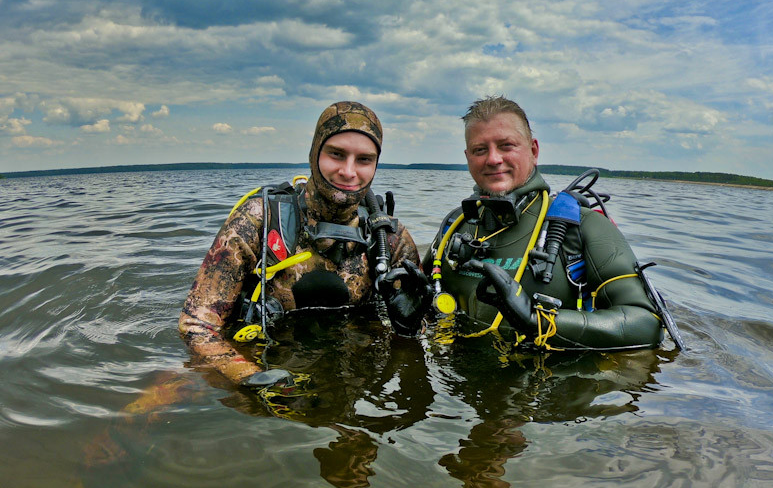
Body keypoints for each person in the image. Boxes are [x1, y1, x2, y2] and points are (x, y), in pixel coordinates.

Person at [179, 101, 432, 387]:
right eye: (336, 155)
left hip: (350, 380)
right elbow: (197, 326)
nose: (349, 172)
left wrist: (409, 328)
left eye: (364, 160)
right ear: (315, 154)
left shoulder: (389, 238)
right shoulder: (259, 220)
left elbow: (421, 338)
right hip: (263, 370)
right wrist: (251, 377)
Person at [423, 96, 669, 352]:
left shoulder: (584, 226)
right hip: (458, 389)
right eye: (479, 150)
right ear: (467, 156)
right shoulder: (454, 226)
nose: (493, 159)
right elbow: (428, 293)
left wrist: (537, 322)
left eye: (506, 145)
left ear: (534, 150)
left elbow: (647, 324)